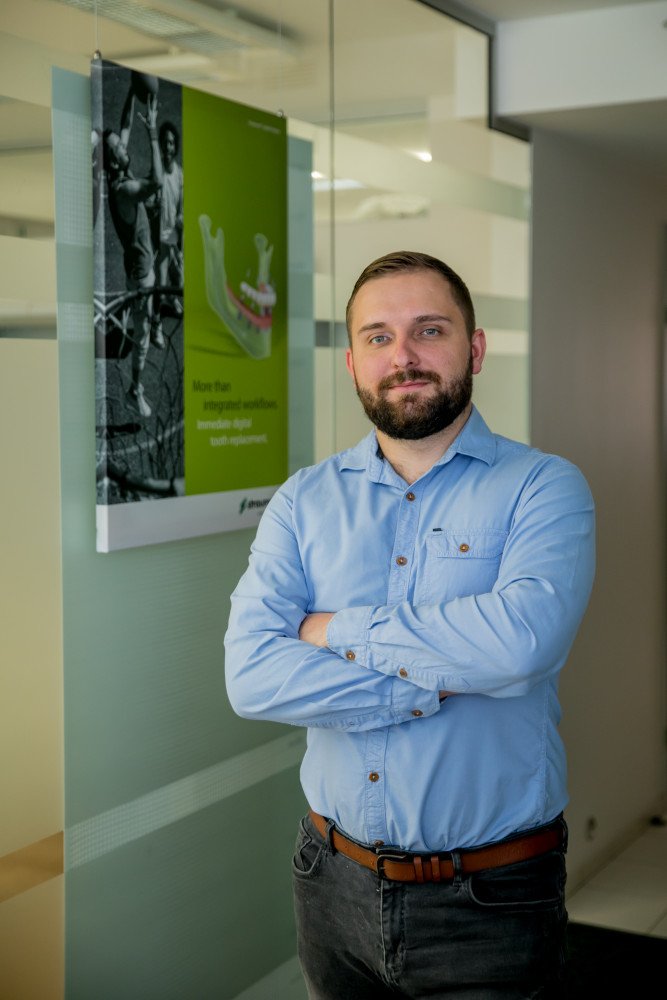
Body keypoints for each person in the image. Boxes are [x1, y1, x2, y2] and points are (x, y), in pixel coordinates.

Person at [224, 251, 595, 999]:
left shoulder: (543, 486)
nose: (403, 356)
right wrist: (430, 684)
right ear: (353, 363)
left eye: (429, 330)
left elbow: (521, 645)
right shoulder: (302, 502)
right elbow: (251, 676)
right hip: (329, 881)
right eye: (378, 337)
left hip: (490, 897)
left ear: (474, 348)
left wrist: (333, 629)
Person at [103, 87, 163, 419]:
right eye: (118, 148)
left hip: (137, 268)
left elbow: (124, 124)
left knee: (143, 325)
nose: (124, 146)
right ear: (113, 160)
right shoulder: (124, 190)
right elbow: (156, 181)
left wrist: (130, 89)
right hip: (141, 275)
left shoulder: (118, 172)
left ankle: (140, 321)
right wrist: (152, 132)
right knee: (141, 338)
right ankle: (134, 391)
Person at [150, 121, 184, 343]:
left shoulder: (180, 175)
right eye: (164, 143)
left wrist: (179, 249)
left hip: (175, 239)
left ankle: (172, 300)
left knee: (179, 282)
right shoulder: (158, 172)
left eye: (171, 143)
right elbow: (151, 202)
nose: (168, 147)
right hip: (161, 239)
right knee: (161, 285)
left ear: (175, 146)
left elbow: (181, 211)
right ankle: (156, 325)